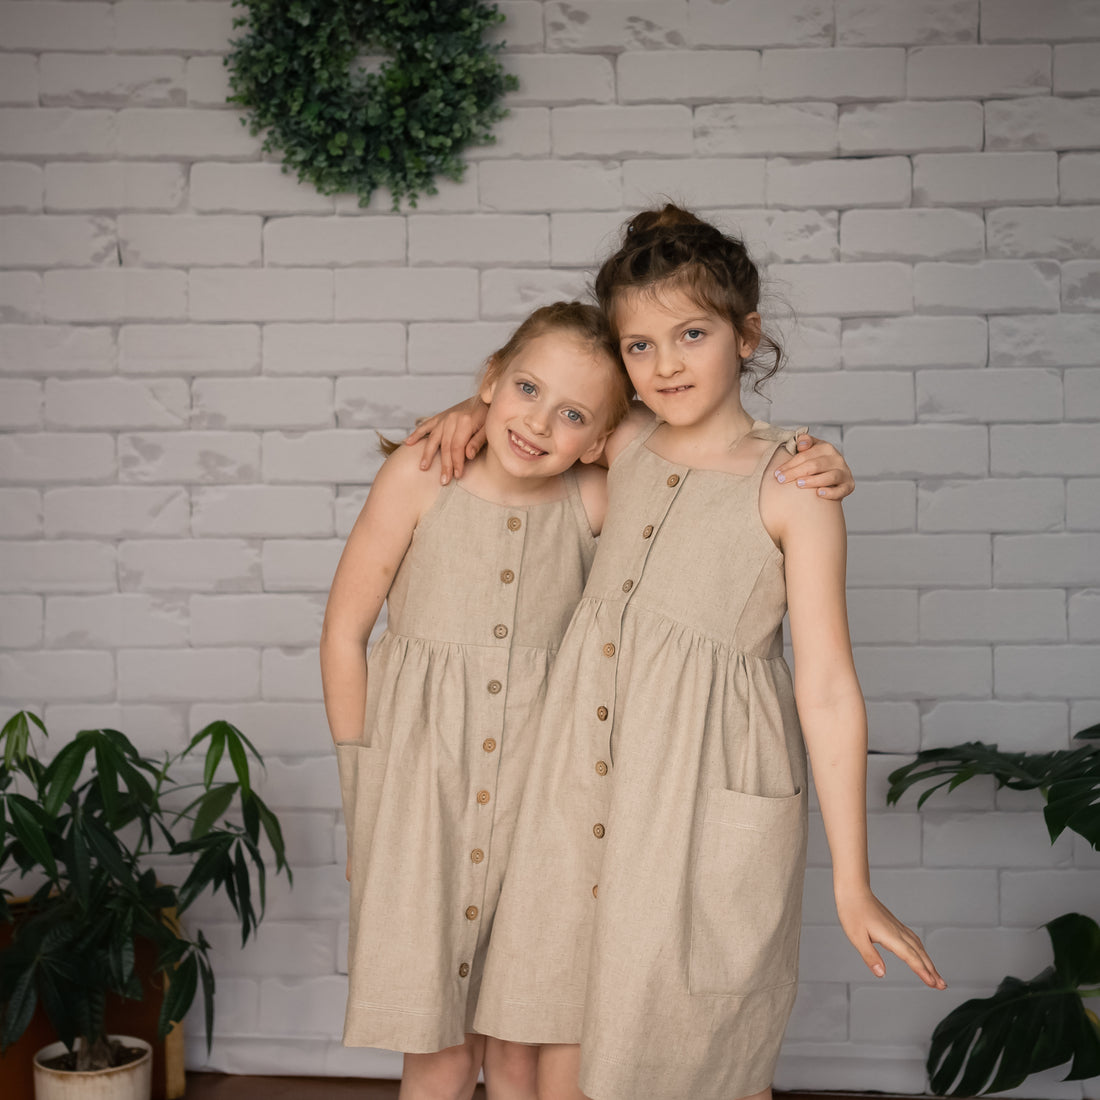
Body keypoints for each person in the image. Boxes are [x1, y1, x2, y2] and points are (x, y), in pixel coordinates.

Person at [411, 206, 945, 1100]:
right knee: (548, 1045)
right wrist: (471, 407)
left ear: (748, 336)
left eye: (691, 334)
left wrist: (854, 882)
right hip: (573, 782)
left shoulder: (795, 484)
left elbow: (826, 688)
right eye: (639, 346)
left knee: (676, 1049)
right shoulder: (621, 443)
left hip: (699, 791)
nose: (665, 365)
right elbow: (539, 417)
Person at [320, 302, 632, 1100]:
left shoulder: (594, 501)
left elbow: (689, 454)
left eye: (571, 415)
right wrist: (364, 791)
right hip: (423, 793)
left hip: (545, 803)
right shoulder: (421, 475)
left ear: (599, 439)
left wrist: (795, 456)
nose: (537, 422)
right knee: (439, 1050)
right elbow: (344, 635)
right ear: (490, 377)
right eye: (524, 389)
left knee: (523, 1047)